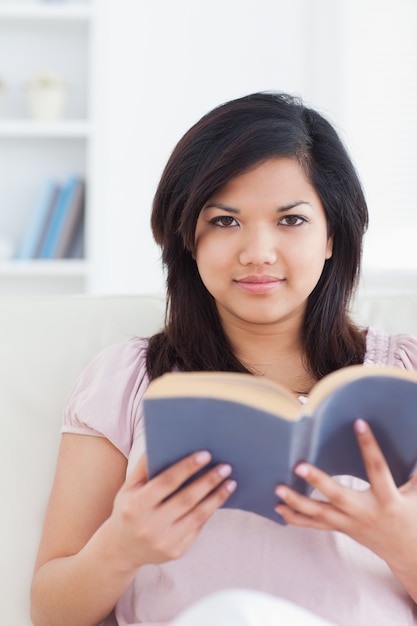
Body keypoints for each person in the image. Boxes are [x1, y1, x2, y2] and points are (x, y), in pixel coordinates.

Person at [30, 92, 417, 626]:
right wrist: (120, 548)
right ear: (188, 237)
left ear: (333, 235)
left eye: (291, 220)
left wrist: (400, 541)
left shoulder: (404, 376)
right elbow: (50, 612)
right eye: (226, 221)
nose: (257, 251)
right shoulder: (127, 381)